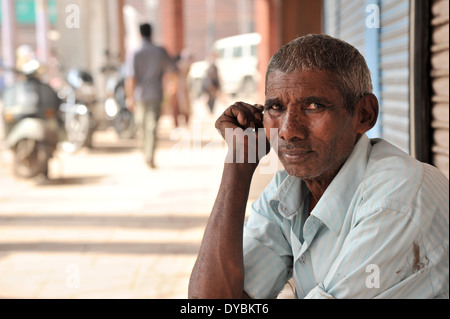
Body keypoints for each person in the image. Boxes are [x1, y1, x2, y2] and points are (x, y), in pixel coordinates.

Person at [188, 34, 449, 299]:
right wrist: (238, 165)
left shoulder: (396, 201)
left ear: (364, 114)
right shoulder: (289, 192)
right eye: (275, 107)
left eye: (313, 106)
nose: (288, 131)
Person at [125, 23, 174, 168]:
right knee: (151, 126)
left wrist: (129, 97)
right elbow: (172, 71)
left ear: (140, 34)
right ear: (151, 33)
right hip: (155, 94)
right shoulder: (160, 51)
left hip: (140, 95)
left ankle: (146, 154)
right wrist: (172, 89)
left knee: (142, 126)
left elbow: (131, 78)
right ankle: (149, 155)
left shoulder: (134, 52)